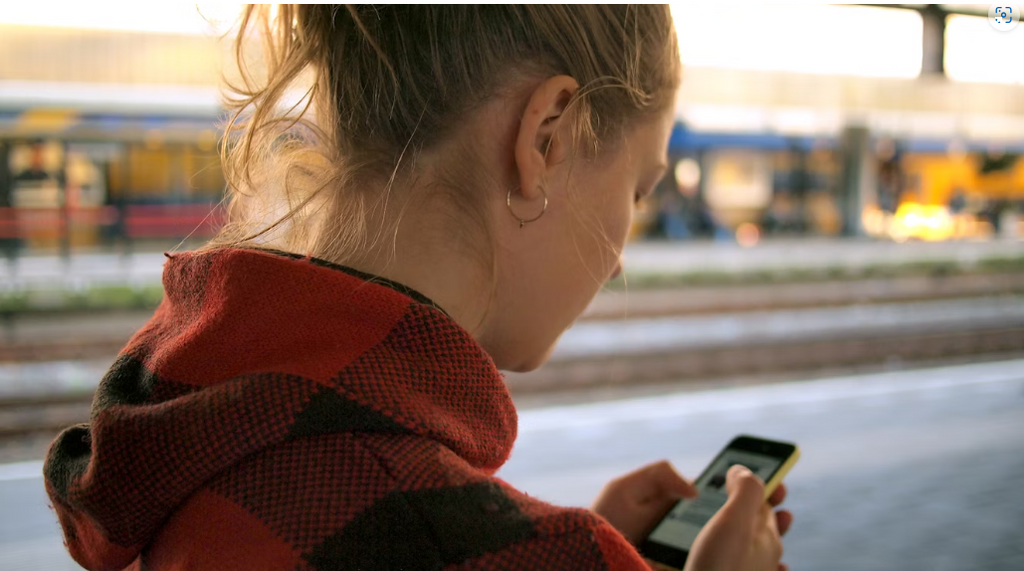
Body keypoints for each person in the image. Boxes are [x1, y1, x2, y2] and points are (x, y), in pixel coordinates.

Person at [44, 6, 792, 570]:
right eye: (636, 189)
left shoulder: (185, 429)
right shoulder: (479, 540)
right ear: (547, 138)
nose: (620, 255)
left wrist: (526, 532)